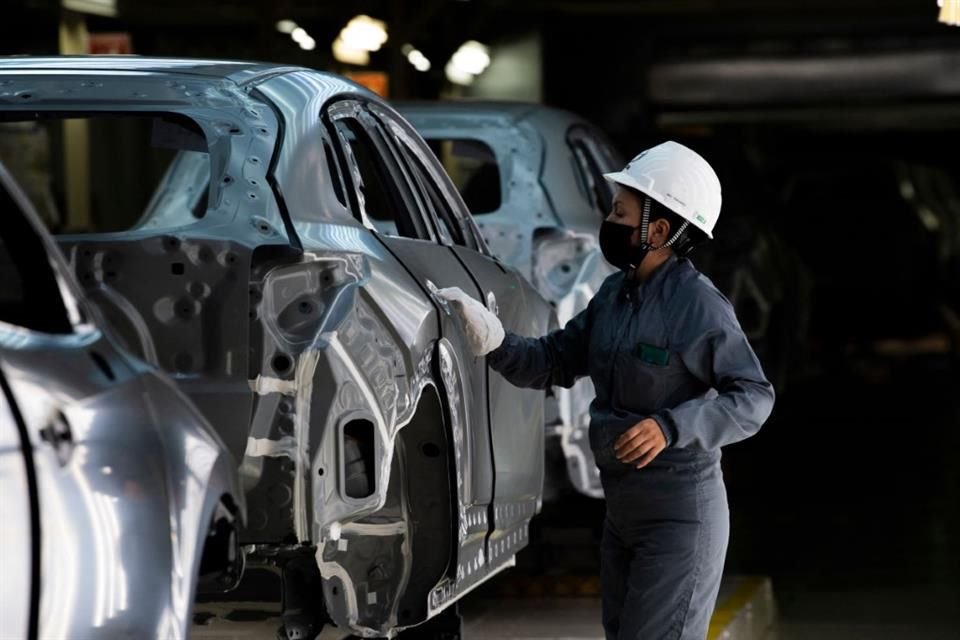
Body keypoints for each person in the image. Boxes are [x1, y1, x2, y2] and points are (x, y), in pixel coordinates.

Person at [436, 140, 775, 640]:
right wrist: (494, 339)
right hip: (623, 512)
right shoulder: (615, 294)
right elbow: (552, 361)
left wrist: (671, 426)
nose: (609, 219)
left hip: (679, 514)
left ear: (657, 230)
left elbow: (753, 396)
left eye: (621, 210)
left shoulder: (698, 305)